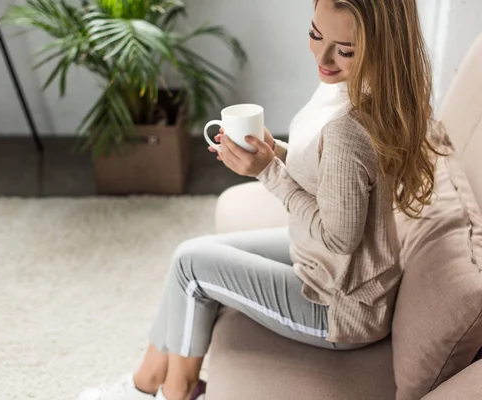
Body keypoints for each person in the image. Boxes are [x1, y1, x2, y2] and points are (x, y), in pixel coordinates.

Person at [79, 0, 440, 399]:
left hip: (341, 307)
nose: (322, 57)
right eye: (315, 34)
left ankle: (175, 393)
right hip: (328, 268)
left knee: (190, 265)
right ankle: (144, 383)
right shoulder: (357, 88)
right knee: (191, 256)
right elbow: (333, 176)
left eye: (345, 49)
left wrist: (266, 171)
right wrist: (276, 151)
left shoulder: (348, 130)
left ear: (382, 45)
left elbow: (340, 238)